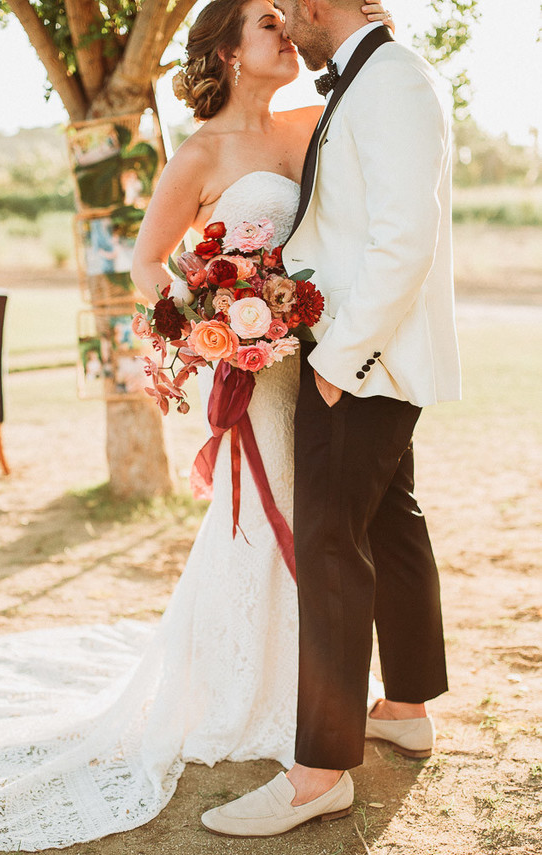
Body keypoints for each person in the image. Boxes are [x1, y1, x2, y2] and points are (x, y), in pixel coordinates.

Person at [0, 1, 394, 850]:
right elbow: (147, 264)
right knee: (258, 528)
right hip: (253, 376)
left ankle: (317, 702)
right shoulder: (200, 153)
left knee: (327, 531)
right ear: (232, 52)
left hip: (326, 371)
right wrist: (216, 333)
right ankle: (247, 696)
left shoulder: (313, 122)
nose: (288, 32)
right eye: (269, 24)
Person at [200, 0, 462, 838]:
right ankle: (407, 707)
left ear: (318, 5)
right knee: (390, 523)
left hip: (360, 361)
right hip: (367, 358)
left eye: (289, 10)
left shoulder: (388, 80)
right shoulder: (374, 80)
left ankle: (317, 773)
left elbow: (404, 239)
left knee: (329, 548)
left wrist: (334, 363)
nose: (288, 24)